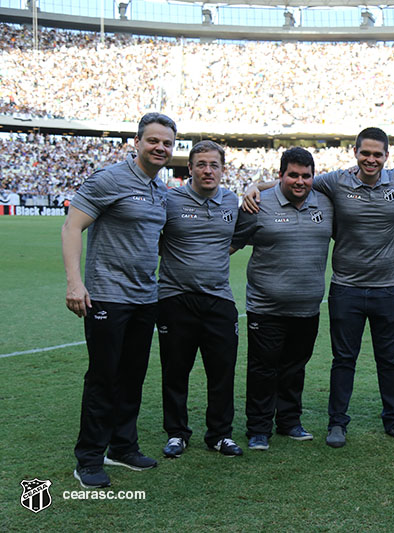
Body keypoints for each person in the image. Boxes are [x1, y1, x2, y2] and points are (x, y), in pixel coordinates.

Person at [243, 128, 394, 448]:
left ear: (387, 156)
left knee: (390, 359)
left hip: (389, 288)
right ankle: (337, 423)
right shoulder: (335, 181)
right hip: (347, 287)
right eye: (365, 153)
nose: (371, 159)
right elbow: (294, 183)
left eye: (378, 154)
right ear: (355, 153)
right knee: (344, 359)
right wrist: (252, 184)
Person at [61, 113, 176, 489]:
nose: (160, 148)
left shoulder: (161, 190)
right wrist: (75, 283)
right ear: (137, 142)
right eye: (153, 141)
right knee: (103, 378)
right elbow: (72, 226)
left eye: (167, 143)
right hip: (107, 296)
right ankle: (90, 457)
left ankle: (123, 446)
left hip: (146, 298)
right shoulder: (110, 179)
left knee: (132, 376)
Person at [232, 147, 333, 451]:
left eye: (306, 175)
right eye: (293, 175)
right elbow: (230, 244)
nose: (299, 181)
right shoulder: (257, 205)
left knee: (294, 367)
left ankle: (289, 421)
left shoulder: (326, 204)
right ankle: (258, 428)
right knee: (263, 368)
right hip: (266, 307)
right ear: (280, 175)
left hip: (307, 306)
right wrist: (254, 187)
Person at [157, 140, 242, 459]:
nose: (208, 170)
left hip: (219, 299)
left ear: (223, 169)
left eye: (214, 165)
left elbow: (242, 235)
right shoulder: (169, 199)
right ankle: (177, 433)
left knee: (222, 371)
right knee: (175, 371)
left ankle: (220, 435)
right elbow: (152, 236)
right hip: (174, 298)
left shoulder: (233, 201)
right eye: (201, 164)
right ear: (189, 168)